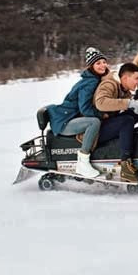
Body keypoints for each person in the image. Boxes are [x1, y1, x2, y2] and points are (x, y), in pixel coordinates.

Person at [47, 47, 108, 178]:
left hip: (69, 118)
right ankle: (83, 162)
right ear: (91, 66)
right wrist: (102, 115)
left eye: (104, 62)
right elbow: (85, 108)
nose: (102, 65)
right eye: (98, 63)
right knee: (94, 122)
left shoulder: (95, 79)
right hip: (65, 122)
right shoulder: (91, 82)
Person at [94, 62, 138, 183]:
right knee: (126, 121)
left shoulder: (125, 89)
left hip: (108, 122)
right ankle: (126, 166)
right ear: (125, 78)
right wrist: (129, 103)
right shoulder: (109, 84)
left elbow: (125, 104)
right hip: (96, 129)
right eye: (136, 78)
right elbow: (101, 102)